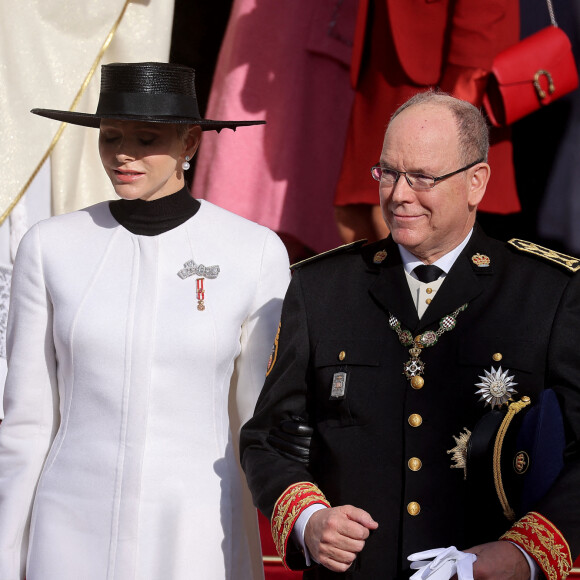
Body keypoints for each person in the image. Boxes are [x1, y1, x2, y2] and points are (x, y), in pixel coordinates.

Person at [240, 91, 580, 579]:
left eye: (422, 177)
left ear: (476, 183)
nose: (399, 194)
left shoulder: (547, 293)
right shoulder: (322, 288)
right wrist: (310, 521)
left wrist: (522, 554)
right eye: (387, 172)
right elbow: (267, 438)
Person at [0, 62, 290, 580]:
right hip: (68, 526)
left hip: (198, 528)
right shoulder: (50, 247)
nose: (123, 154)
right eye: (110, 137)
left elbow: (256, 423)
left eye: (146, 137)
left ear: (190, 144)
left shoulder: (254, 252)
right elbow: (26, 420)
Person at [333, 0, 521, 245]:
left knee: (398, 219)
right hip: (385, 51)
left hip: (439, 66)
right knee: (355, 218)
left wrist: (459, 97)